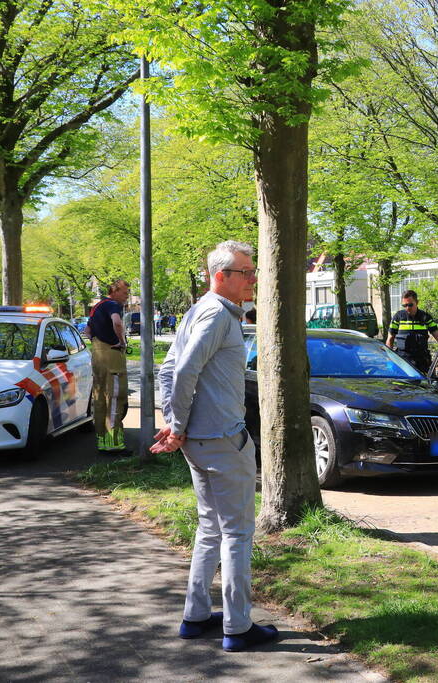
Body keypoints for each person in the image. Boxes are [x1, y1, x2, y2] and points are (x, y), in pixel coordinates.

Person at [151, 240, 278, 652]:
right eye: (246, 272)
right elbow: (182, 370)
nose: (253, 278)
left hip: (200, 442)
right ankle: (238, 627)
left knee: (209, 528)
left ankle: (196, 616)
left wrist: (175, 425)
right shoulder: (216, 315)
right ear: (220, 276)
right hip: (223, 440)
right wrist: (177, 426)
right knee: (238, 533)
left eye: (253, 270)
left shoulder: (199, 310)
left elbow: (169, 369)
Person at [85, 279, 130, 454]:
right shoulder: (112, 305)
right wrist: (121, 341)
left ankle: (103, 441)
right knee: (115, 398)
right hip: (112, 356)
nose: (126, 297)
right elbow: (117, 322)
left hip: (98, 355)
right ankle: (114, 444)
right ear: (115, 291)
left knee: (99, 398)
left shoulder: (97, 307)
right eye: (125, 293)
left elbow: (88, 331)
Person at [385, 290, 438, 374]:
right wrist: (389, 359)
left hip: (423, 363)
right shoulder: (398, 317)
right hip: (403, 362)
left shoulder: (425, 317)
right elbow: (390, 339)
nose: (407, 308)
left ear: (417, 302)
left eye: (410, 305)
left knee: (429, 386)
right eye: (405, 305)